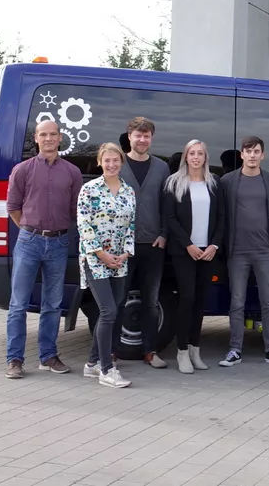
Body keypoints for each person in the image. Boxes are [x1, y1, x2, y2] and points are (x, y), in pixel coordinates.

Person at [4, 120, 82, 379]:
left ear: (60, 138)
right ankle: (15, 359)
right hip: (29, 242)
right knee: (18, 304)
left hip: (59, 243)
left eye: (53, 135)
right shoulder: (22, 170)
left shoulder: (72, 172)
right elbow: (13, 206)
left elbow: (75, 210)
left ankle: (48, 356)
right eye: (43, 135)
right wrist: (30, 229)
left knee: (53, 304)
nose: (48, 139)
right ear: (36, 138)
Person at [218, 136, 269, 368]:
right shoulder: (228, 181)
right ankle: (235, 349)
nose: (252, 155)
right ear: (242, 154)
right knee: (237, 302)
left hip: (265, 250)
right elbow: (222, 214)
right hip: (237, 251)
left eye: (256, 151)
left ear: (262, 155)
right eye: (248, 151)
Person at [163, 139, 225, 374]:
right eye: (192, 153)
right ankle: (181, 353)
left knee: (200, 301)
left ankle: (194, 350)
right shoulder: (174, 183)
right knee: (186, 299)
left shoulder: (214, 183)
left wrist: (215, 245)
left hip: (208, 252)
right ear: (185, 157)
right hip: (184, 252)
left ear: (205, 158)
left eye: (200, 153)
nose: (196, 157)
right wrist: (188, 245)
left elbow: (221, 218)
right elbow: (170, 219)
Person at [78, 143, 136, 388]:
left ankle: (91, 364)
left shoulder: (128, 191)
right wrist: (100, 254)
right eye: (107, 160)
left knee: (115, 310)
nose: (112, 165)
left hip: (119, 261)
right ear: (100, 162)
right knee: (108, 311)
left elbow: (132, 225)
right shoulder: (88, 190)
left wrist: (125, 253)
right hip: (95, 259)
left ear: (121, 162)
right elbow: (84, 225)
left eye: (116, 160)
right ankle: (106, 369)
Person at [119, 117, 170, 369]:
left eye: (146, 135)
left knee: (151, 301)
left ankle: (150, 351)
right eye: (137, 135)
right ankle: (110, 352)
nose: (142, 139)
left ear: (151, 138)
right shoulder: (117, 163)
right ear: (129, 137)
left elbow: (168, 205)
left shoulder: (161, 168)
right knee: (118, 299)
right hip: (122, 247)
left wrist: (164, 233)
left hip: (153, 245)